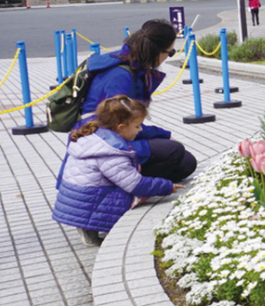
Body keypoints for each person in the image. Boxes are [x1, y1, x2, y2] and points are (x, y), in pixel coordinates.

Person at [52, 96, 182, 246]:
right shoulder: (111, 151)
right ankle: (92, 228)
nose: (140, 130)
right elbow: (134, 184)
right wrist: (166, 186)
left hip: (75, 197)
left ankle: (89, 225)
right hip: (86, 200)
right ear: (120, 127)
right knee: (134, 195)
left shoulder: (94, 135)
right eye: (137, 126)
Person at [79, 19, 198, 182]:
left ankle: (131, 181)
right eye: (170, 52)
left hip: (112, 134)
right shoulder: (120, 76)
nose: (168, 57)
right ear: (157, 51)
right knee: (174, 150)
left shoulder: (130, 65)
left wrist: (162, 135)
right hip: (100, 141)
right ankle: (125, 187)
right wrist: (165, 135)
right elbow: (121, 122)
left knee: (186, 163)